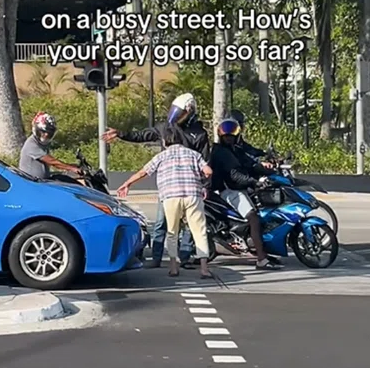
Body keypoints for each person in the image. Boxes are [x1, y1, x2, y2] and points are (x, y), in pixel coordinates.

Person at [103, 93, 210, 269]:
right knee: (162, 223)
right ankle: (157, 257)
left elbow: (206, 160)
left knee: (190, 227)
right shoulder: (165, 127)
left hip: (191, 186)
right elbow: (142, 135)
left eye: (181, 112)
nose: (176, 116)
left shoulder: (199, 134)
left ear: (190, 111)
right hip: (169, 187)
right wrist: (121, 134)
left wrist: (205, 186)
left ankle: (184, 257)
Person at [116, 126, 214, 278]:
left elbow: (144, 172)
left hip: (171, 197)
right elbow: (208, 171)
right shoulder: (194, 154)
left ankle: (174, 267)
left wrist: (127, 183)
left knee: (172, 232)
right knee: (199, 232)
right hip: (193, 196)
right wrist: (199, 180)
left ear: (165, 140)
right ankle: (204, 269)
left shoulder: (162, 156)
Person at [209, 118, 282, 271]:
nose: (229, 138)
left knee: (262, 212)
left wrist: (268, 169)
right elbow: (235, 175)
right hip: (229, 190)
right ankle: (261, 260)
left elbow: (249, 163)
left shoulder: (235, 149)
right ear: (221, 137)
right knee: (253, 218)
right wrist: (254, 182)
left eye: (231, 136)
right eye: (226, 136)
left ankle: (263, 251)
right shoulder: (222, 153)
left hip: (238, 188)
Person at [19, 112, 80, 179]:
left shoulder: (43, 143)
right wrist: (71, 168)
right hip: (32, 184)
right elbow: (52, 161)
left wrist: (71, 166)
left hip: (43, 180)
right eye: (43, 132)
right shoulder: (31, 144)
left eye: (48, 133)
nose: (45, 135)